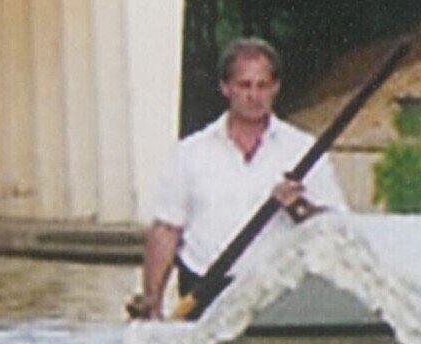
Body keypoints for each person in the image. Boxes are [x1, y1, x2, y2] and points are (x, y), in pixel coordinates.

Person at [130, 36, 344, 320]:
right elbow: (166, 230)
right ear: (225, 88)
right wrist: (152, 300)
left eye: (262, 85)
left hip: (278, 295)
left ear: (275, 88)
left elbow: (336, 227)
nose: (254, 96)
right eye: (244, 85)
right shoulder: (190, 153)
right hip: (204, 291)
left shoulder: (304, 150)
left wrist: (298, 207)